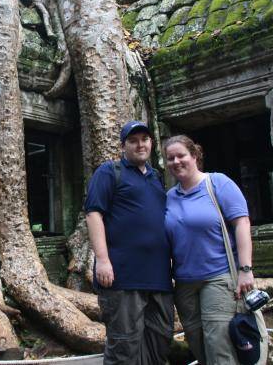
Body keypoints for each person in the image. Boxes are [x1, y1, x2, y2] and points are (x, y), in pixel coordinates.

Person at [163, 135, 267, 365]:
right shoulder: (169, 197)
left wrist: (246, 269)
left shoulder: (217, 183)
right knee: (198, 344)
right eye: (170, 158)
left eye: (181, 155)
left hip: (218, 276)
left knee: (219, 344)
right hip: (184, 283)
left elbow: (242, 223)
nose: (176, 162)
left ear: (195, 156)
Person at [84, 121, 173, 365]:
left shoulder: (157, 178)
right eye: (133, 141)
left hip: (159, 277)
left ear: (151, 143)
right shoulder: (109, 172)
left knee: (160, 341)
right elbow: (93, 214)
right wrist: (102, 260)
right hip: (122, 276)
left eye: (144, 139)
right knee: (124, 347)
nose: (140, 144)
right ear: (123, 146)